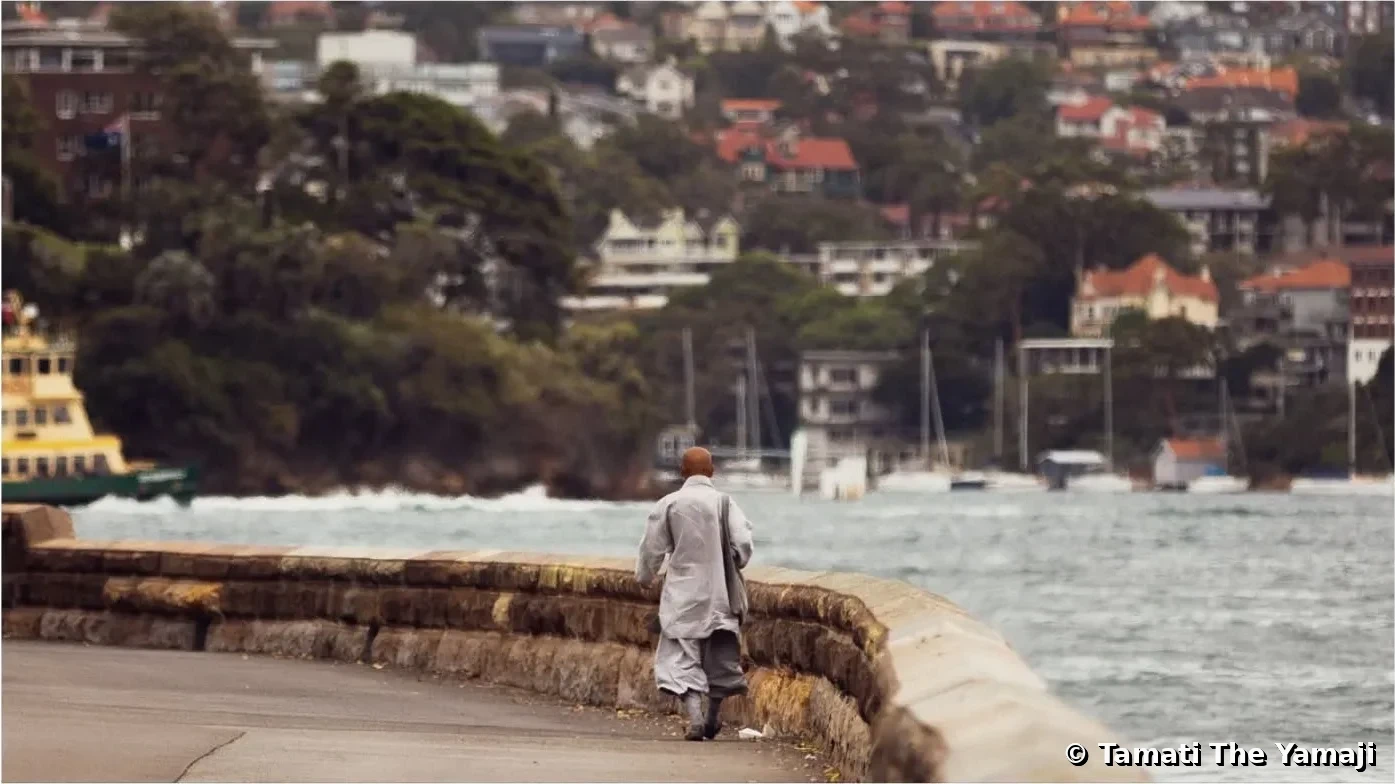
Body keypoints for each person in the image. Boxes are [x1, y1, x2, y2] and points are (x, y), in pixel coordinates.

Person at [637, 446, 754, 741]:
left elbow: (651, 548)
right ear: (712, 471)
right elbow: (743, 543)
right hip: (720, 593)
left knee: (681, 655)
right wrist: (736, 560)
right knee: (721, 656)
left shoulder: (669, 504)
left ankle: (695, 718)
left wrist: (645, 576)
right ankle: (713, 716)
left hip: (683, 593)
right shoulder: (726, 503)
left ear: (682, 471)